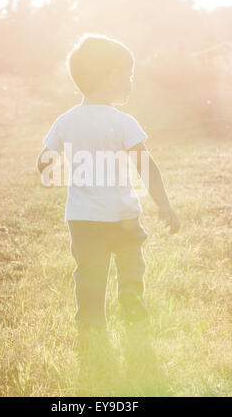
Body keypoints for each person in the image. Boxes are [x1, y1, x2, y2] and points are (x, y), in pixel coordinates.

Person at [36, 33, 180, 331]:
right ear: (113, 77)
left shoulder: (65, 121)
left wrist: (47, 169)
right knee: (131, 258)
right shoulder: (124, 122)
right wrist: (164, 205)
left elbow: (45, 159)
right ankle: (129, 296)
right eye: (129, 74)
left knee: (89, 271)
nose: (131, 81)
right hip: (122, 215)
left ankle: (90, 321)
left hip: (83, 218)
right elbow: (147, 166)